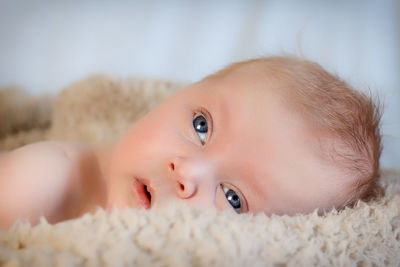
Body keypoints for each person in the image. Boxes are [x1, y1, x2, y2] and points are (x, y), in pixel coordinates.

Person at [0, 56, 382, 229]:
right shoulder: (40, 179)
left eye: (233, 198)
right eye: (201, 126)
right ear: (181, 94)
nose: (187, 172)